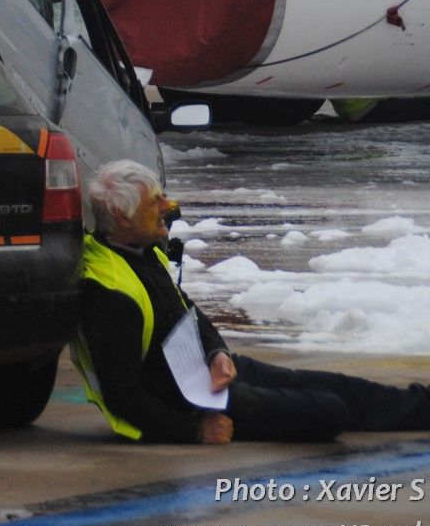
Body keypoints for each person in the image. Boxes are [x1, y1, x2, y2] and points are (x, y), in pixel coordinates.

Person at [73, 159, 430, 444]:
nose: (168, 207)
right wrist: (192, 431)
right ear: (121, 216)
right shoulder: (110, 292)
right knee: (330, 410)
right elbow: (122, 394)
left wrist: (218, 354)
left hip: (209, 372)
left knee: (338, 385)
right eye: (155, 202)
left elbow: (188, 314)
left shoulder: (141, 251)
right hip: (191, 400)